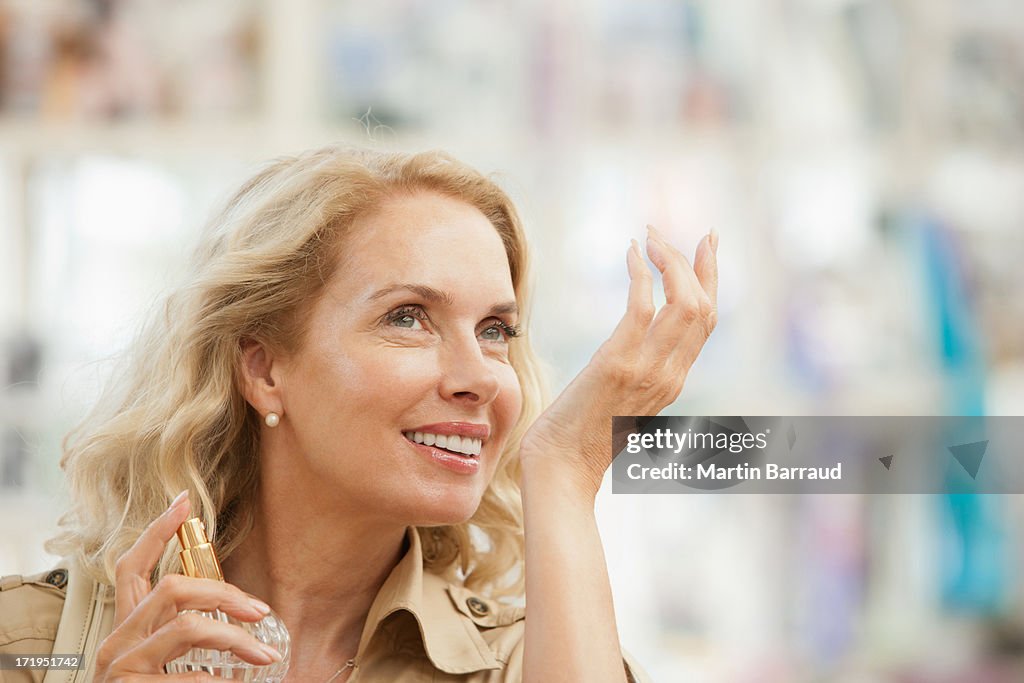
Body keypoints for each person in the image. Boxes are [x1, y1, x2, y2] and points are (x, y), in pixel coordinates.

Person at [0, 146, 718, 682]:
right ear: (263, 367)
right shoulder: (34, 640)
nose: (479, 378)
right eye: (409, 317)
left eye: (495, 330)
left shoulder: (534, 660)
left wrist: (564, 467)